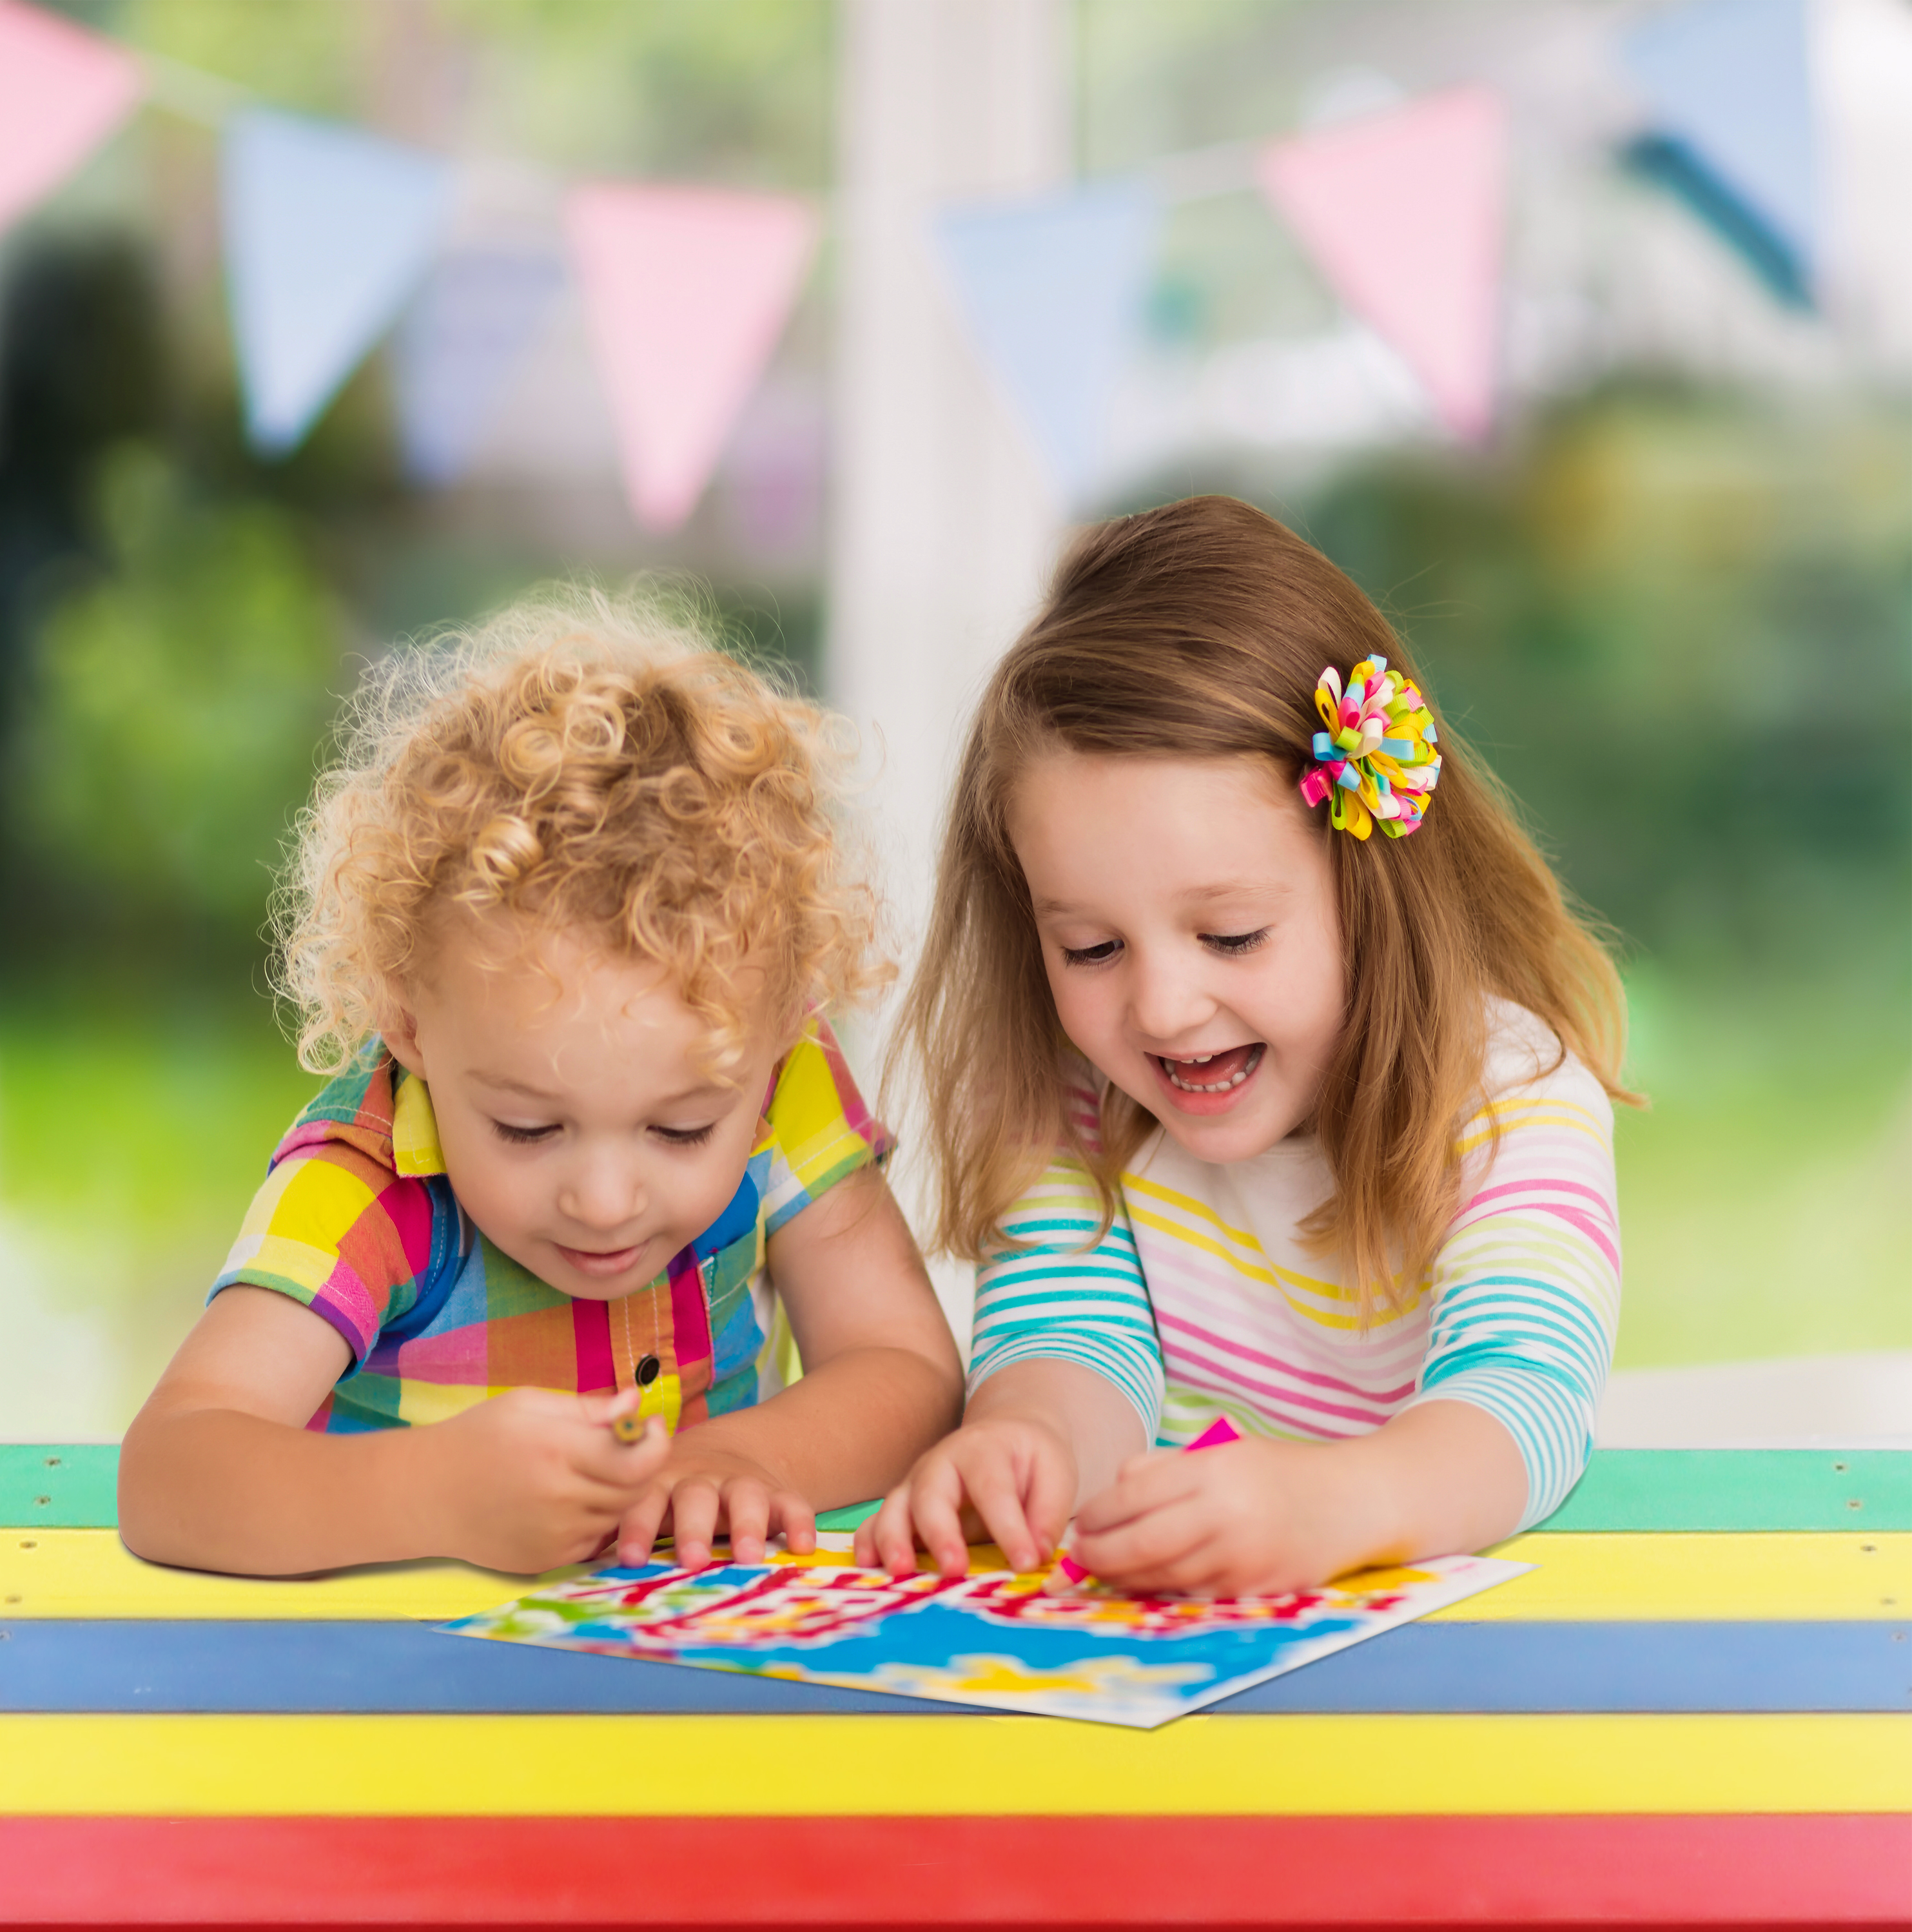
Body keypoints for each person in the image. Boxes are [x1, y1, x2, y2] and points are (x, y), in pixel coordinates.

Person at [858, 496, 1630, 1595]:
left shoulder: (1512, 1098)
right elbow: (1071, 1348)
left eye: (1231, 936)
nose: (1165, 1010)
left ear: (1372, 887)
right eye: (1090, 948)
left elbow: (1524, 1397)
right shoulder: (1064, 1096)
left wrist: (1335, 1504)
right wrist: (1025, 1445)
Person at [120, 592, 961, 1579]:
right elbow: (170, 1473)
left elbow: (907, 1368)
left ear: (782, 1027)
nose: (604, 1202)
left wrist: (738, 1459)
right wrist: (432, 1496)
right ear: (406, 1022)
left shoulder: (775, 1075)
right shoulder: (368, 1183)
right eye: (526, 1127)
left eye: (682, 1130)